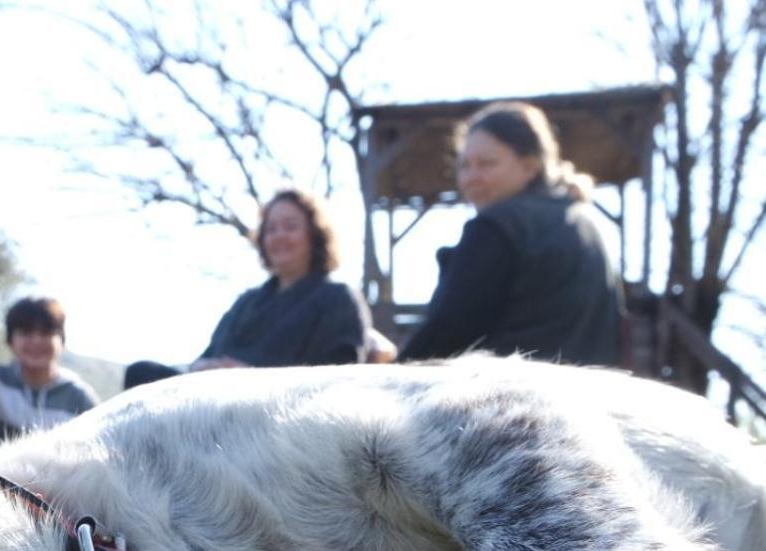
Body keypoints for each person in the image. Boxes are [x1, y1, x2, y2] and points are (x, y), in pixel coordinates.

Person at [398, 101, 623, 366]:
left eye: (486, 164)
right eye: (464, 165)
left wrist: (387, 376)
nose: (471, 178)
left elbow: (443, 336)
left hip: (512, 398)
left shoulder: (499, 225)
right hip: (587, 393)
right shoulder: (587, 223)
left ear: (529, 166)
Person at [123, 190, 370, 389]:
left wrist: (250, 377)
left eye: (291, 226)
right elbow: (207, 356)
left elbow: (339, 380)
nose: (279, 236)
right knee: (142, 374)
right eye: (271, 229)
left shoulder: (337, 298)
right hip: (207, 399)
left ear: (315, 235)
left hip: (272, 414)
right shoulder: (247, 301)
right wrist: (202, 367)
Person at [0, 296, 99, 437]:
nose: (36, 340)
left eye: (46, 332)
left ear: (62, 340)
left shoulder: (79, 397)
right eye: (26, 332)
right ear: (10, 340)